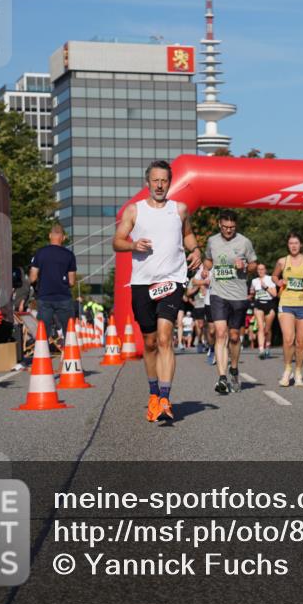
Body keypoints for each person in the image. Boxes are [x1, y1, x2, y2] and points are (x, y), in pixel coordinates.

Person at [112, 160, 201, 422]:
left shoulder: (180, 209)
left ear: (169, 183)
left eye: (164, 180)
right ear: (147, 182)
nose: (160, 185)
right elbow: (117, 242)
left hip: (172, 280)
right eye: (155, 180)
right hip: (142, 283)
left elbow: (188, 234)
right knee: (149, 343)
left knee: (165, 338)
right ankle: (153, 394)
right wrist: (132, 245)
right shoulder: (134, 211)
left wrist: (195, 249)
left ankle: (165, 397)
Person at [203, 210, 257, 394]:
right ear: (219, 225)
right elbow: (209, 260)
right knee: (220, 333)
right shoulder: (212, 241)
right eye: (225, 227)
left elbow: (254, 264)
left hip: (239, 295)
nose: (228, 231)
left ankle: (233, 369)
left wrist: (245, 266)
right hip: (218, 294)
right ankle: (222, 378)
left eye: (232, 228)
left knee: (234, 337)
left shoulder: (244, 242)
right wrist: (204, 269)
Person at [272, 231, 303, 387]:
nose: (293, 246)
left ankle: (298, 371)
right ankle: (287, 370)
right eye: (291, 243)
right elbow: (274, 276)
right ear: (288, 245)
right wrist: (278, 281)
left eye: (296, 243)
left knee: (301, 342)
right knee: (288, 339)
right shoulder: (282, 261)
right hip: (286, 303)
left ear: (301, 245)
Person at [29, 223, 77, 347]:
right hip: (63, 298)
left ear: (50, 236)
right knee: (69, 331)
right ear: (63, 238)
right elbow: (71, 282)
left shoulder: (40, 253)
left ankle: (42, 358)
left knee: (43, 332)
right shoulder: (69, 255)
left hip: (45, 297)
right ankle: (70, 359)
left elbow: (33, 278)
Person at [250, 263, 278, 359]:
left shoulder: (270, 279)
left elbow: (275, 294)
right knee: (261, 327)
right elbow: (252, 292)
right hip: (259, 304)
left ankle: (267, 348)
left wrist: (265, 287)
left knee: (267, 330)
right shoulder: (254, 281)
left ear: (265, 270)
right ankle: (261, 350)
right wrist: (252, 293)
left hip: (269, 304)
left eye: (262, 269)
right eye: (259, 269)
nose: (260, 271)